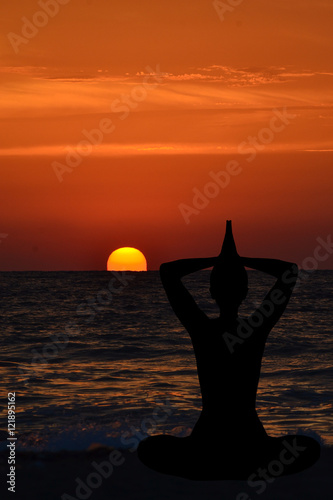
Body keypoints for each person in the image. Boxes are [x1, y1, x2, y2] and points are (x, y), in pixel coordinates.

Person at [138, 220, 320, 480]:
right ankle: (243, 466)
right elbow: (288, 271)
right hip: (251, 439)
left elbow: (168, 271)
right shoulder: (255, 329)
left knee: (148, 449)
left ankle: (211, 466)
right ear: (245, 293)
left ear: (211, 292)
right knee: (310, 448)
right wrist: (239, 259)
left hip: (207, 439)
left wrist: (217, 259)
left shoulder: (203, 330)